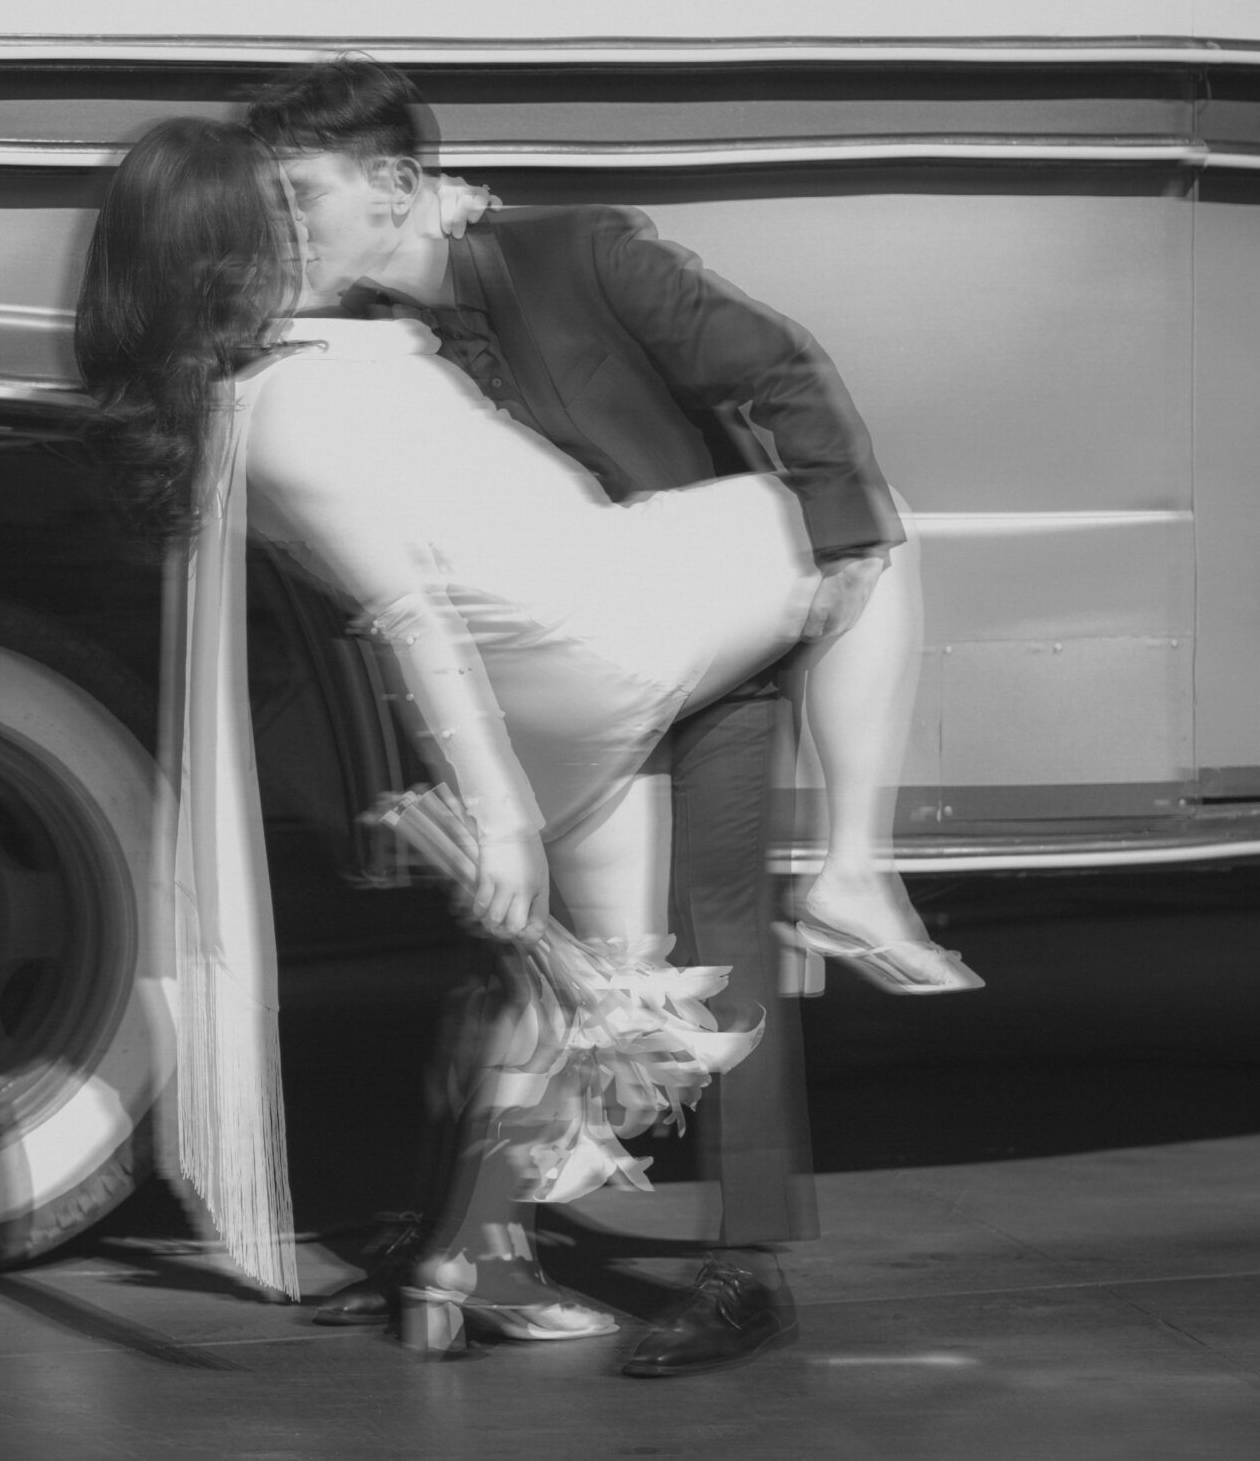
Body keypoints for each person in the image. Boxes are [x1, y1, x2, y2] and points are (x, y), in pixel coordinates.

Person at [72, 114, 976, 1364]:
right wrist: (491, 813)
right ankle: (857, 870)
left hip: (548, 688)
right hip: (611, 621)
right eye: (271, 213)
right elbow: (406, 614)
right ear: (224, 255)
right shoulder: (292, 397)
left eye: (303, 196)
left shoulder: (269, 372)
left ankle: (470, 1260)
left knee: (591, 981)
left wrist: (447, 227)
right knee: (871, 529)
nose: (297, 225)